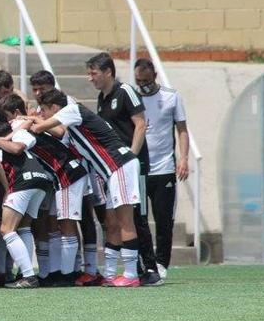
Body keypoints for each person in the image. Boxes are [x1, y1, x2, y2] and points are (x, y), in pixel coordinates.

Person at [31, 89, 142, 287]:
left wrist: (27, 118)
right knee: (112, 223)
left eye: (44, 111)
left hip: (120, 165)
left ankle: (132, 274)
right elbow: (57, 133)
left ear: (55, 108)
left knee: (125, 222)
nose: (42, 115)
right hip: (113, 171)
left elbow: (42, 128)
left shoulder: (72, 109)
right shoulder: (73, 124)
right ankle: (109, 274)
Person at [85, 52, 162, 286]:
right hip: (113, 167)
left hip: (130, 164)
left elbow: (140, 124)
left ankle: (150, 269)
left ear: (108, 72)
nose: (90, 78)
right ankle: (126, 269)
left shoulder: (125, 91)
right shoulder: (102, 97)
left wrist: (131, 155)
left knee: (136, 216)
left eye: (94, 73)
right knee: (117, 217)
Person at [0, 94, 90, 286]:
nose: (8, 122)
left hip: (67, 173)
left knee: (66, 224)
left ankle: (67, 275)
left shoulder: (22, 125)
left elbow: (18, 146)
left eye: (8, 116)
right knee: (58, 226)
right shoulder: (29, 123)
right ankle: (57, 273)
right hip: (61, 176)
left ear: (15, 113)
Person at [134, 58, 189, 279]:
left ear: (154, 76)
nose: (143, 85)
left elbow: (182, 130)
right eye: (139, 81)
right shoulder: (133, 98)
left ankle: (162, 262)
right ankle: (145, 263)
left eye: (146, 81)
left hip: (164, 168)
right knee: (139, 219)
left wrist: (183, 158)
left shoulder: (171, 96)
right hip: (140, 168)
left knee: (164, 219)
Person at [0, 121, 54, 288]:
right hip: (42, 180)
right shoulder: (19, 137)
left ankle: (29, 276)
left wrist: (7, 188)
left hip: (23, 182)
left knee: (6, 230)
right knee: (24, 228)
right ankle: (26, 273)